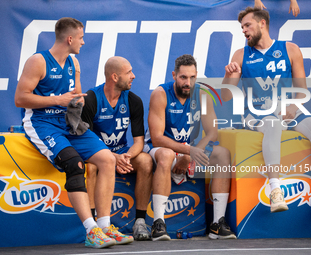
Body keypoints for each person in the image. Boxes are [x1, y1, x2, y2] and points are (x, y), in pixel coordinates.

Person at [221, 7, 311, 218]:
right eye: (242, 27)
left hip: (287, 110)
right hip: (256, 113)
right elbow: (226, 95)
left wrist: (293, 107)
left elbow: (302, 89)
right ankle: (275, 189)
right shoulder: (240, 55)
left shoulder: (291, 49)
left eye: (247, 25)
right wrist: (230, 75)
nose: (244, 31)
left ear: (262, 24)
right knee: (273, 125)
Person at [14, 17, 119, 249]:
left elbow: (74, 98)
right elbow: (20, 98)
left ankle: (104, 226)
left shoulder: (74, 63)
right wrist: (56, 100)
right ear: (70, 38)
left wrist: (77, 104)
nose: (83, 42)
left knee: (108, 159)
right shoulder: (38, 61)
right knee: (75, 164)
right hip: (42, 123)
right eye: (81, 38)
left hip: (68, 123)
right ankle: (91, 231)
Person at [144, 54, 236, 241]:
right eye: (183, 77)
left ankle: (217, 222)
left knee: (222, 154)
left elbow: (212, 133)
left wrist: (191, 154)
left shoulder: (202, 95)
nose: (188, 82)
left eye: (192, 77)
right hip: (160, 149)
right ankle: (158, 224)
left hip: (190, 150)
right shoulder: (160, 94)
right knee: (166, 155)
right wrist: (188, 151)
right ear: (174, 75)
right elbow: (157, 138)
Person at [81, 56, 153, 241]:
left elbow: (138, 141)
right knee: (92, 166)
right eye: (128, 72)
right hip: (95, 153)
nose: (134, 76)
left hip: (121, 153)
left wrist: (126, 157)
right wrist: (113, 157)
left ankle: (140, 221)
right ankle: (93, 227)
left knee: (145, 160)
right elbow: (86, 141)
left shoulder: (133, 101)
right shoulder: (91, 99)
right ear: (114, 77)